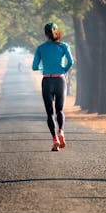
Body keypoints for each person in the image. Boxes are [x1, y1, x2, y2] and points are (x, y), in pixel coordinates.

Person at [32, 22, 74, 151]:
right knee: (60, 110)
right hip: (60, 80)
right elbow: (71, 62)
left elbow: (34, 67)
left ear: (46, 34)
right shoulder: (63, 46)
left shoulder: (40, 48)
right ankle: (61, 131)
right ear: (57, 32)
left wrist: (43, 67)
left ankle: (55, 139)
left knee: (50, 113)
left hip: (47, 81)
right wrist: (63, 70)